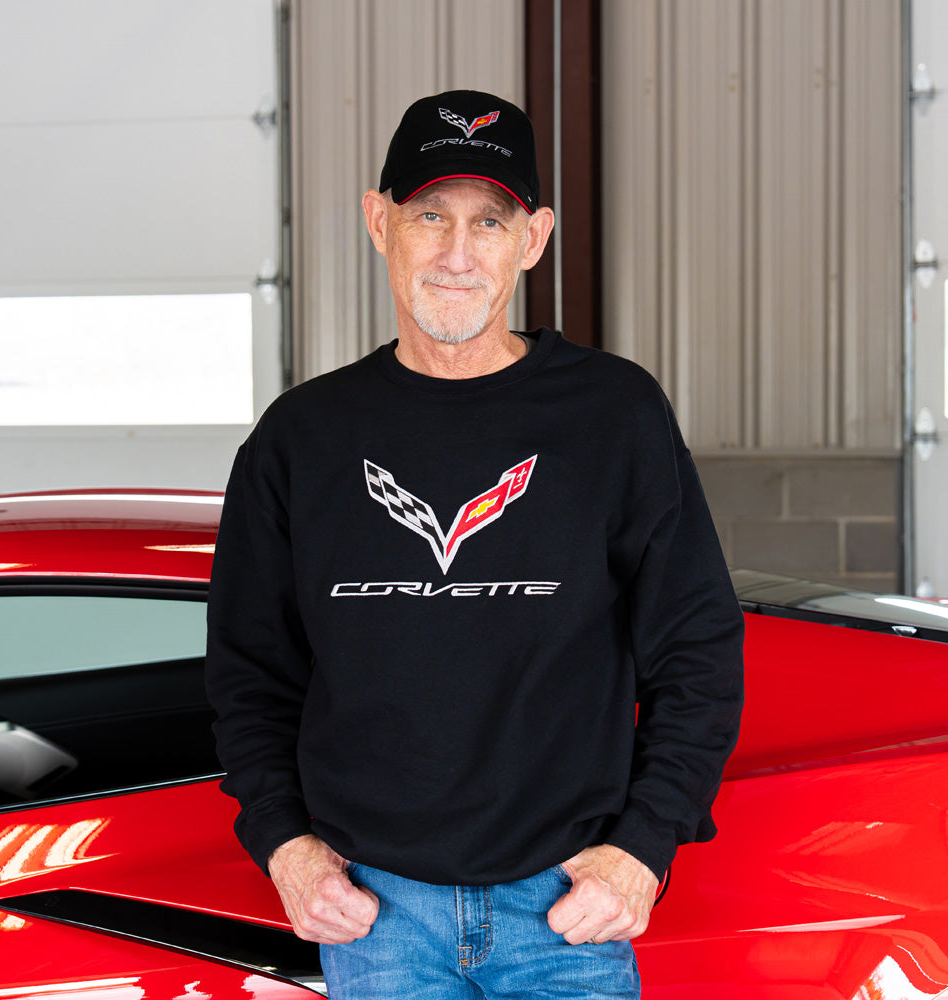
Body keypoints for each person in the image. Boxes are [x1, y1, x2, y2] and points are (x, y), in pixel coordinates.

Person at [205, 89, 744, 1000]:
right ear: (381, 223)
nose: (457, 253)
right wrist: (286, 847)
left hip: (566, 908)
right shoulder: (302, 438)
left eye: (488, 221)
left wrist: (642, 849)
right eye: (429, 217)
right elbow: (249, 672)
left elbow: (696, 650)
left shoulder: (613, 416)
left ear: (531, 240)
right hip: (377, 916)